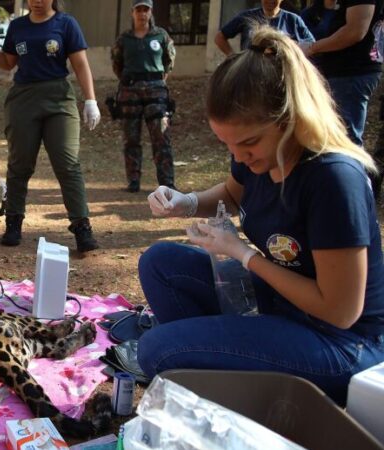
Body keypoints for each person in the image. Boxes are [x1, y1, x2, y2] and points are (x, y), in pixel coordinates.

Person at [138, 27, 384, 404]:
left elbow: (340, 312)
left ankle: (224, 390)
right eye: (227, 144)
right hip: (286, 305)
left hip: (342, 342)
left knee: (159, 351)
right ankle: (219, 366)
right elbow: (232, 195)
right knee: (160, 263)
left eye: (248, 143)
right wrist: (184, 202)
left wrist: (243, 254)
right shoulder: (263, 158)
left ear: (291, 120)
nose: (238, 157)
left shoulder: (333, 179)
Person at [0, 0, 101, 252]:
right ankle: (13, 221)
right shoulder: (17, 26)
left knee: (67, 163)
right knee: (20, 163)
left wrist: (91, 100)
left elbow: (80, 64)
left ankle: (81, 225)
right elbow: (9, 63)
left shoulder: (66, 24)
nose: (37, 1)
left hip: (58, 98)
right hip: (23, 99)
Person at [111, 0, 176, 193]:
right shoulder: (124, 39)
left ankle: (167, 183)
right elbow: (117, 65)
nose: (142, 14)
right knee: (131, 138)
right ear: (132, 13)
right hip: (130, 92)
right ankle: (133, 181)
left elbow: (169, 62)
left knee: (161, 138)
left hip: (156, 92)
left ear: (151, 12)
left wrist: (156, 81)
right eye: (138, 10)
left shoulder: (161, 36)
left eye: (145, 10)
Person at [301, 0, 382, 148]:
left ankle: (351, 170)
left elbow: (355, 32)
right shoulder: (314, 11)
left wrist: (312, 48)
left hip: (350, 73)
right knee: (326, 137)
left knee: (346, 141)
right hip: (328, 74)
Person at [215, 0, 314, 55]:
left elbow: (311, 44)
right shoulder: (247, 17)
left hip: (282, 75)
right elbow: (219, 37)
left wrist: (291, 45)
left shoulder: (293, 20)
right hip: (250, 73)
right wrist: (233, 57)